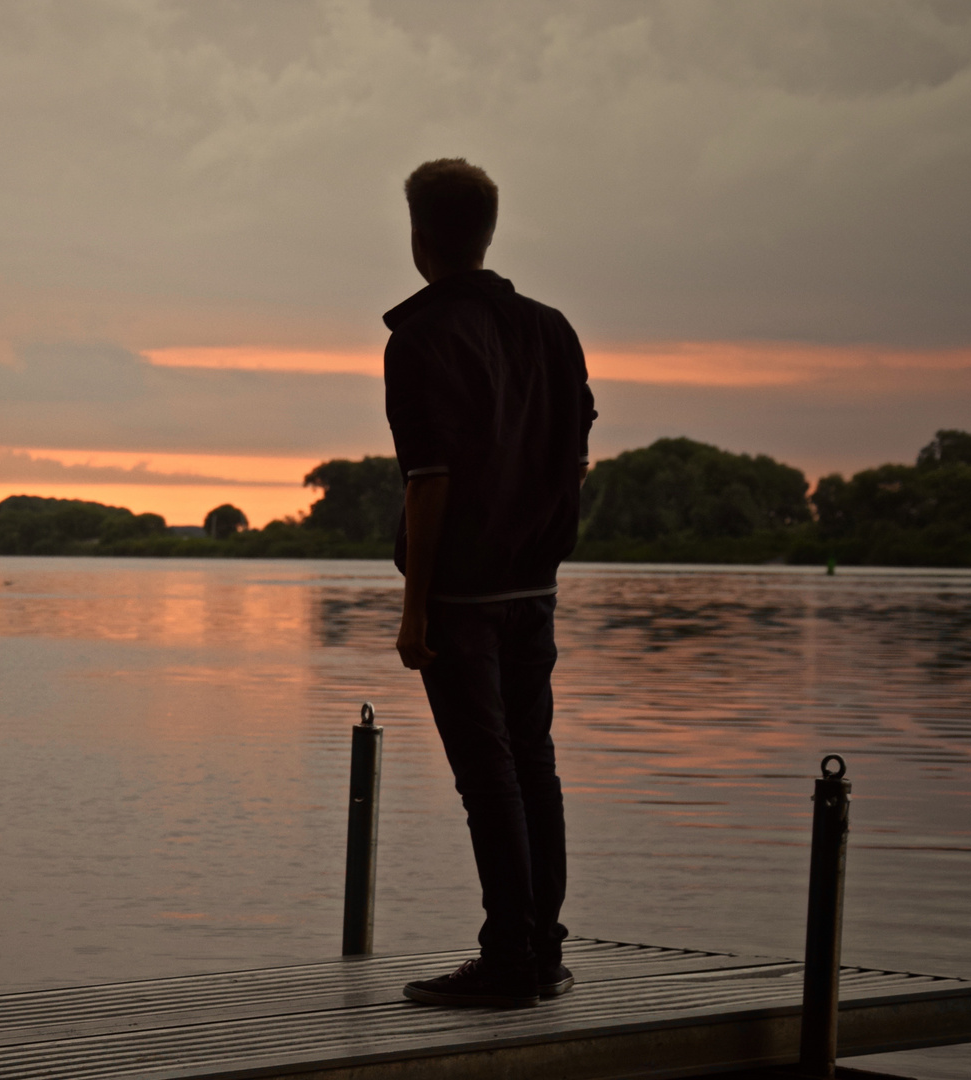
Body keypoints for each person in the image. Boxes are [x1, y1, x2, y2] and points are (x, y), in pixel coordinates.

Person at [384, 158, 595, 1008]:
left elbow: (427, 479)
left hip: (464, 597)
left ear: (420, 237)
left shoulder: (420, 339)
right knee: (533, 765)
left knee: (490, 776)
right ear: (487, 232)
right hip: (532, 588)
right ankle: (541, 951)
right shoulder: (552, 328)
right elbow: (575, 457)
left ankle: (510, 959)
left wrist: (414, 609)